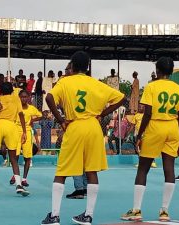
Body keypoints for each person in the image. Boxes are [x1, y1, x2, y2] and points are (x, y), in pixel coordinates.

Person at [41, 51, 125, 225]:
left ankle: (55, 215)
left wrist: (60, 119)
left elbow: (49, 97)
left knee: (62, 171)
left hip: (74, 125)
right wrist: (102, 114)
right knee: (91, 170)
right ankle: (88, 215)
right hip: (93, 127)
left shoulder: (65, 82)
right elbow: (121, 98)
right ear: (87, 67)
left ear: (72, 66)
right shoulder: (95, 83)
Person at [121, 57, 179, 222]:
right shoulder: (178, 89)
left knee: (143, 169)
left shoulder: (151, 86)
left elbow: (148, 113)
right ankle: (164, 211)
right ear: (171, 72)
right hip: (172, 128)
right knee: (169, 169)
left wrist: (139, 134)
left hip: (155, 127)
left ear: (157, 71)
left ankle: (136, 210)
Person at [10, 90, 42, 187]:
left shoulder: (32, 108)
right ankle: (15, 175)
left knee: (27, 157)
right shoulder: (15, 108)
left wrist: (33, 120)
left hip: (27, 132)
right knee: (15, 156)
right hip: (16, 131)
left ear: (28, 98)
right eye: (21, 97)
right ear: (19, 98)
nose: (23, 99)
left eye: (25, 97)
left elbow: (41, 115)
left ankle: (24, 179)